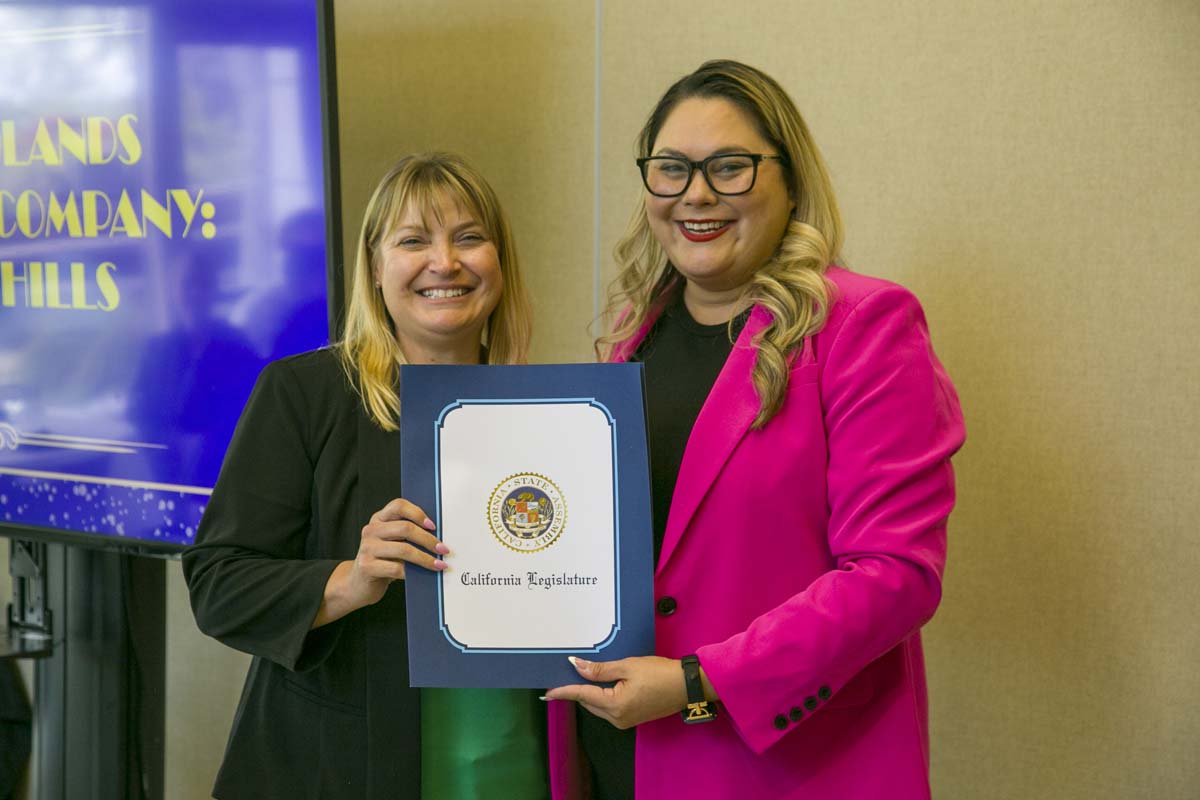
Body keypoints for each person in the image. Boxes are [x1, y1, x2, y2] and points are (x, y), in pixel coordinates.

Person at [544, 60, 966, 799]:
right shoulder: (631, 333)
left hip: (781, 762)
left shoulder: (862, 326)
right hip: (620, 751)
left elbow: (896, 577)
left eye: (730, 168)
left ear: (790, 181)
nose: (696, 194)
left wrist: (696, 683)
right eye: (671, 169)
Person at [183, 153, 549, 800]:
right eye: (413, 241)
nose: (445, 262)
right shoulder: (304, 394)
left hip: (512, 752)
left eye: (469, 237)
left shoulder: (558, 414)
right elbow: (219, 583)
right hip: (338, 764)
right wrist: (351, 580)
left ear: (501, 262)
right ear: (376, 270)